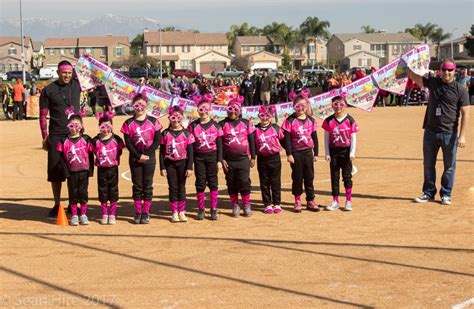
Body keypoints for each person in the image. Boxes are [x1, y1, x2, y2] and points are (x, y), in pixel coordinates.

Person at [410, 59, 470, 205]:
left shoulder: (460, 89)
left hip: (449, 133)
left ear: (454, 71)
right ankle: (428, 193)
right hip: (430, 131)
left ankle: (446, 194)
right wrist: (408, 67)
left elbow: (466, 113)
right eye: (444, 70)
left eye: (450, 70)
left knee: (449, 166)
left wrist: (462, 136)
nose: (447, 73)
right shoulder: (434, 82)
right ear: (440, 71)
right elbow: (414, 77)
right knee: (428, 164)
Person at [39, 60, 81, 217]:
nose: (67, 75)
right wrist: (45, 137)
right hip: (56, 135)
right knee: (55, 172)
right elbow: (43, 116)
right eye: (64, 72)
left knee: (74, 171)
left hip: (75, 135)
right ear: (58, 72)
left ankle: (73, 203)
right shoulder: (48, 90)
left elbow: (93, 76)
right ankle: (57, 204)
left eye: (70, 73)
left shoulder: (77, 85)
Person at [121, 94, 162, 224]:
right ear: (133, 106)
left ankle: (146, 212)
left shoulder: (154, 121)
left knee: (147, 185)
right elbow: (128, 143)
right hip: (135, 158)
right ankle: (138, 212)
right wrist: (138, 156)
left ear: (146, 106)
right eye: (136, 105)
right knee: (137, 185)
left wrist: (147, 155)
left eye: (142, 105)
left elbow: (157, 140)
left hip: (149, 158)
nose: (139, 108)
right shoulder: (128, 123)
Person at [281, 91, 319, 212]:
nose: (300, 109)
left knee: (309, 177)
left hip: (308, 152)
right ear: (294, 107)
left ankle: (310, 200)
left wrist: (316, 153)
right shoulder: (290, 120)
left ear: (307, 106)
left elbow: (315, 137)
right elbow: (285, 138)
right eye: (298, 106)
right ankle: (297, 200)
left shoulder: (311, 120)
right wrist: (289, 153)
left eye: (303, 106)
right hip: (296, 153)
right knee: (297, 177)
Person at [188, 94, 223, 220]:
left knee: (213, 182)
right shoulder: (192, 126)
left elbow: (219, 144)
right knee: (200, 182)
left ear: (210, 109)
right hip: (199, 157)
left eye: (206, 109)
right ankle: (201, 209)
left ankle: (213, 209)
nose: (203, 112)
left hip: (212, 156)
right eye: (201, 109)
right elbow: (190, 146)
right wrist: (190, 163)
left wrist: (219, 160)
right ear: (197, 110)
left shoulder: (216, 125)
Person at [219, 96, 256, 217]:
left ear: (239, 111)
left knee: (244, 182)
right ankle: (235, 205)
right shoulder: (222, 124)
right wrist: (221, 159)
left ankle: (246, 204)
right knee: (231, 183)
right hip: (228, 161)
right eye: (230, 109)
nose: (232, 112)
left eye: (235, 109)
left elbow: (251, 141)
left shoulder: (246, 123)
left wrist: (253, 157)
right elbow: (219, 143)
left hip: (243, 159)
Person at [56, 112, 94, 226]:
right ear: (67, 126)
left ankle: (83, 214)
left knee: (83, 193)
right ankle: (74, 215)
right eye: (71, 126)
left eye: (77, 126)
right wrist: (66, 172)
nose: (74, 129)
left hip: (84, 171)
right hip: (71, 172)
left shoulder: (86, 139)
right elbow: (61, 158)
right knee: (73, 194)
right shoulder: (63, 141)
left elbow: (91, 156)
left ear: (81, 126)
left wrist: (90, 170)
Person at [323, 96, 359, 211]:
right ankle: (335, 201)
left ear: (345, 105)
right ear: (332, 105)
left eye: (341, 104)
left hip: (346, 152)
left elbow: (353, 138)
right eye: (335, 104)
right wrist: (327, 153)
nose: (338, 107)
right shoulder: (329, 121)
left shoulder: (350, 120)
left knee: (347, 177)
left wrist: (352, 152)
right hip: (334, 152)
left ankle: (348, 200)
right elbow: (326, 138)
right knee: (334, 177)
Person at [160, 105, 195, 223]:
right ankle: (174, 212)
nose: (175, 121)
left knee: (181, 187)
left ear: (182, 118)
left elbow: (190, 151)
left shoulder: (186, 133)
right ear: (169, 118)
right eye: (173, 118)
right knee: (173, 187)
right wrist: (162, 167)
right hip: (170, 164)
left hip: (183, 163)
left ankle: (182, 211)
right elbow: (161, 152)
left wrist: (190, 167)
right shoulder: (165, 133)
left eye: (178, 117)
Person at [91, 112, 125, 225]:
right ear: (99, 127)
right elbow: (93, 152)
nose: (105, 129)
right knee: (103, 191)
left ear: (112, 126)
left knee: (113, 191)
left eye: (108, 126)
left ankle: (112, 214)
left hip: (113, 169)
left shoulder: (117, 139)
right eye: (103, 127)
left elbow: (119, 152)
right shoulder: (95, 140)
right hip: (101, 169)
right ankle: (105, 214)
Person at [254, 105, 284, 214]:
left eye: (267, 115)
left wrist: (290, 153)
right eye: (262, 115)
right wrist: (252, 157)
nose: (265, 118)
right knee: (264, 182)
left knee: (275, 181)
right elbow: (252, 144)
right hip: (262, 159)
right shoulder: (255, 129)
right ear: (258, 116)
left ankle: (277, 203)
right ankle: (267, 204)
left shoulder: (276, 128)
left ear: (270, 116)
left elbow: (284, 141)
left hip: (274, 158)